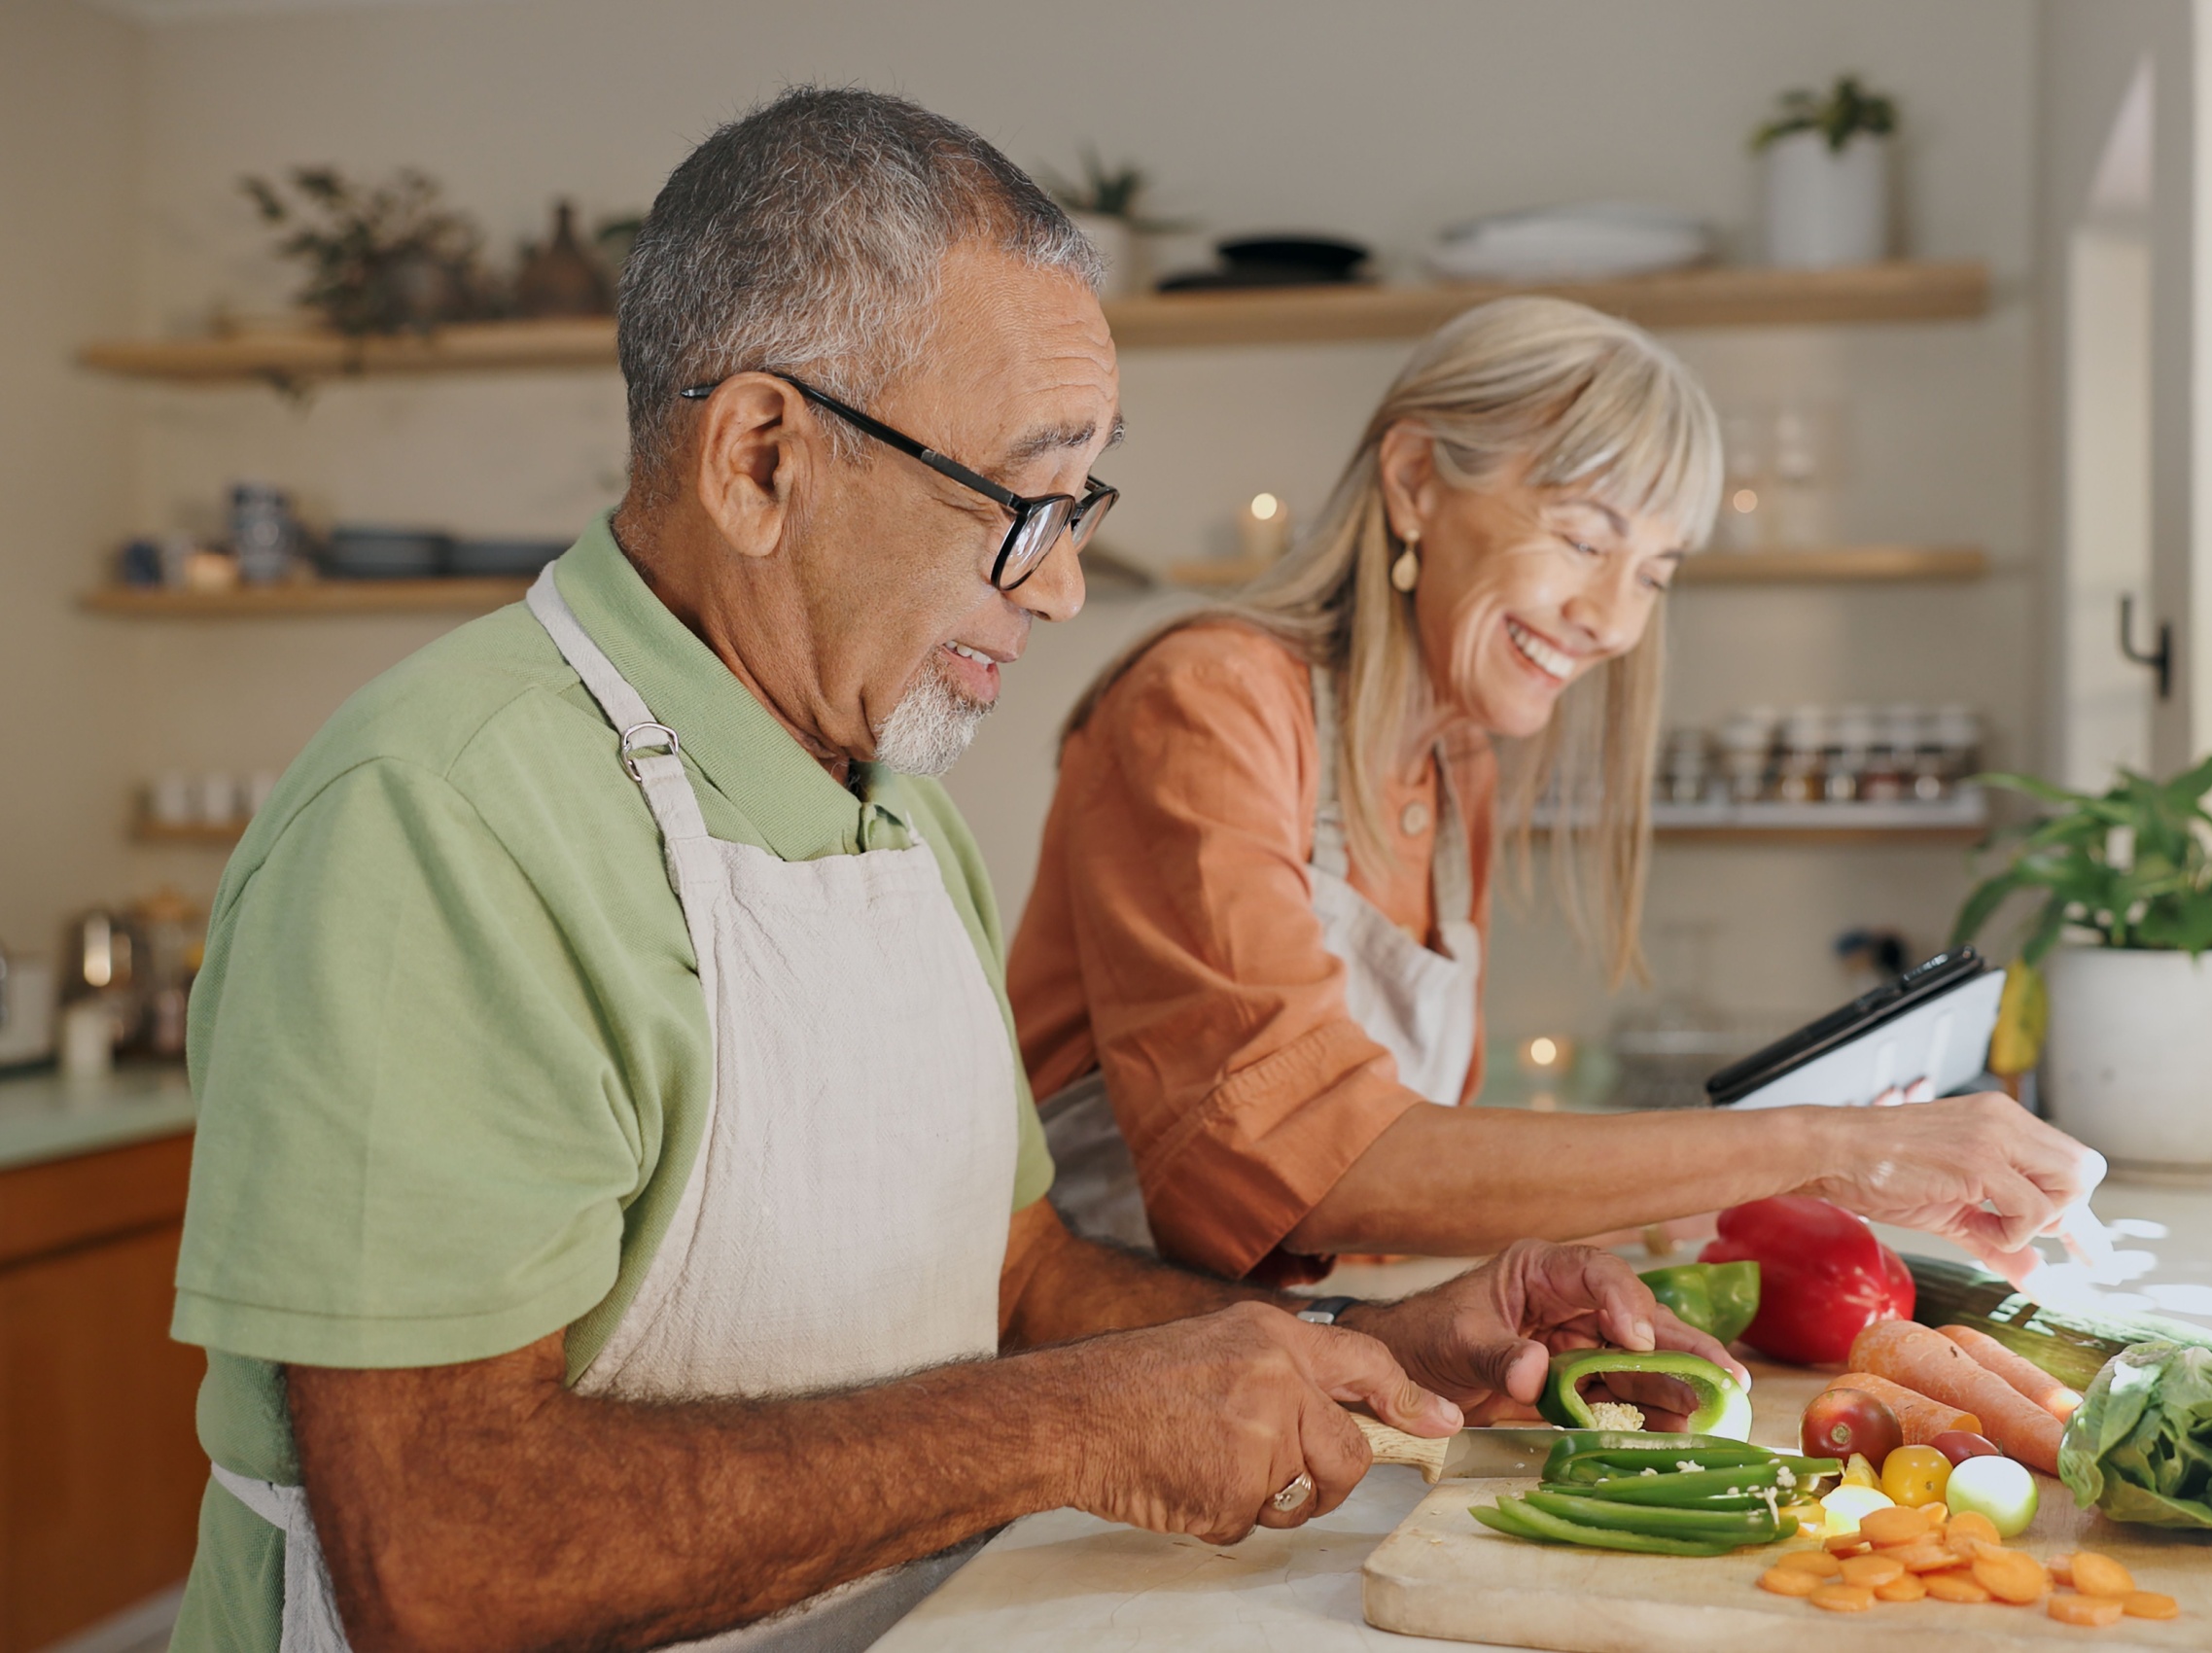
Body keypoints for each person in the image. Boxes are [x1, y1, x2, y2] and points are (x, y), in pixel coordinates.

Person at [165, 89, 1738, 1653]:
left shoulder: (898, 813)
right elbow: (451, 1560)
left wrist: (1364, 1343)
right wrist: (1065, 1430)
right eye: (1020, 502)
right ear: (761, 459)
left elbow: (1021, 1280)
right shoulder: (436, 823)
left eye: (1080, 504)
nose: (1059, 588)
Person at [1007, 297, 2103, 1286]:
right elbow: (1313, 1161)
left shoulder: (1456, 758)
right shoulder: (1204, 700)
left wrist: (1812, 1175)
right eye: (1584, 539)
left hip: (1283, 1360)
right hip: (1105, 1378)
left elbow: (1404, 1189)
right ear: (1415, 480)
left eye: (1654, 575)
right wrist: (1823, 1142)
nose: (1616, 622)